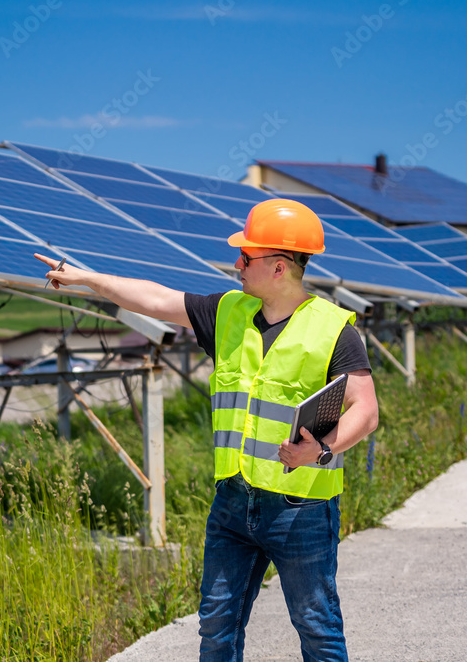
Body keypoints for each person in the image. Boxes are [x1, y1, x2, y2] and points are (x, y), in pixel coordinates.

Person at [35, 198, 378, 661]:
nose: (237, 264)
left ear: (279, 267)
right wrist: (88, 278)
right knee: (216, 628)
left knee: (317, 628)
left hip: (302, 509)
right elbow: (156, 299)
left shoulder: (334, 330)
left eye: (246, 257)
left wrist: (320, 450)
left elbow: (365, 410)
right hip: (233, 503)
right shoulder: (227, 313)